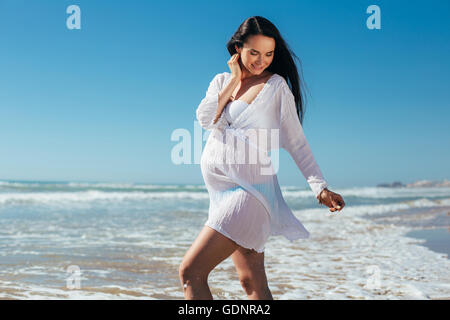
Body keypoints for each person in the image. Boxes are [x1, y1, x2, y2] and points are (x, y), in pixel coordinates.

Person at [179, 16, 345, 300]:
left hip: (250, 194)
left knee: (191, 273)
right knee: (253, 284)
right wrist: (234, 81)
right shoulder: (221, 81)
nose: (261, 61)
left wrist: (319, 187)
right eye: (254, 52)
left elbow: (296, 141)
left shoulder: (276, 86)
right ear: (237, 48)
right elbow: (205, 119)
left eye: (268, 54)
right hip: (220, 195)